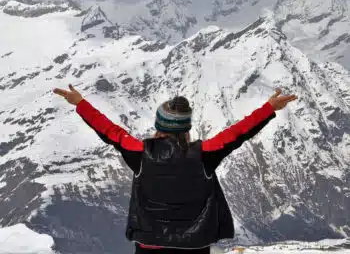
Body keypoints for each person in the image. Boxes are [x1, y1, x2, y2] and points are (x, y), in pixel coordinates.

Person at [53, 84, 297, 253]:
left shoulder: (140, 154)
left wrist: (81, 103)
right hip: (194, 245)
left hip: (149, 244)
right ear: (186, 128)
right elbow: (238, 133)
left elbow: (110, 131)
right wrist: (268, 109)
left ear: (159, 125)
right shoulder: (205, 154)